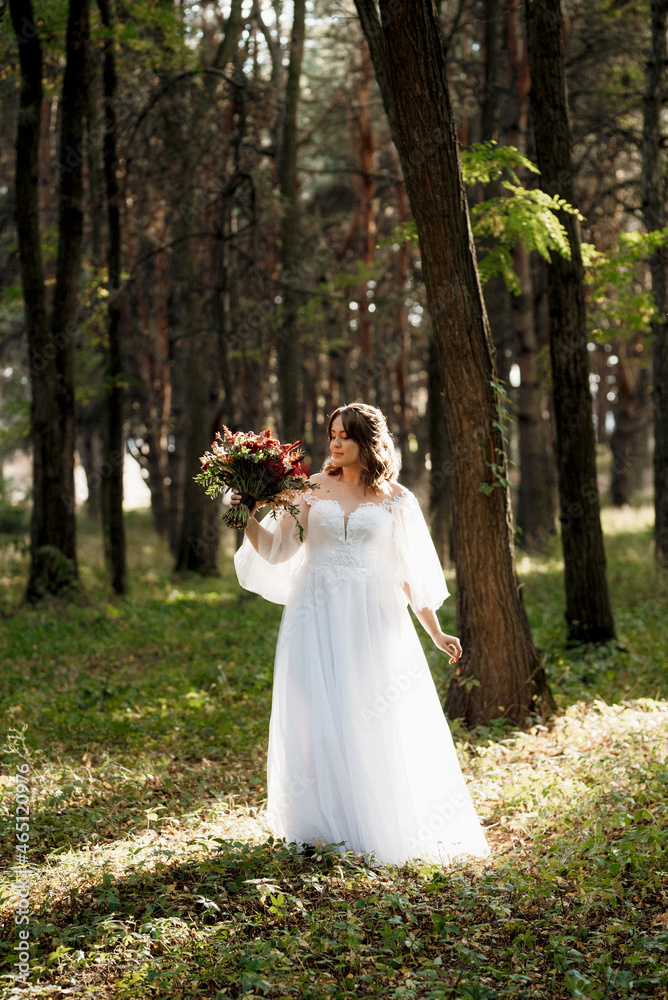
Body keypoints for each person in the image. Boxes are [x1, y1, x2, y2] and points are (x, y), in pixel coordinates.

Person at [230, 403, 490, 866]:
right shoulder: (307, 489)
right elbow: (274, 552)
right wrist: (245, 516)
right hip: (314, 616)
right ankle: (320, 829)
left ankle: (375, 822)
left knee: (370, 715)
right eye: (332, 433)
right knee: (316, 717)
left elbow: (410, 575)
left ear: (367, 442)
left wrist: (434, 632)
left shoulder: (397, 499)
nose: (335, 442)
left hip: (375, 619)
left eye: (345, 435)